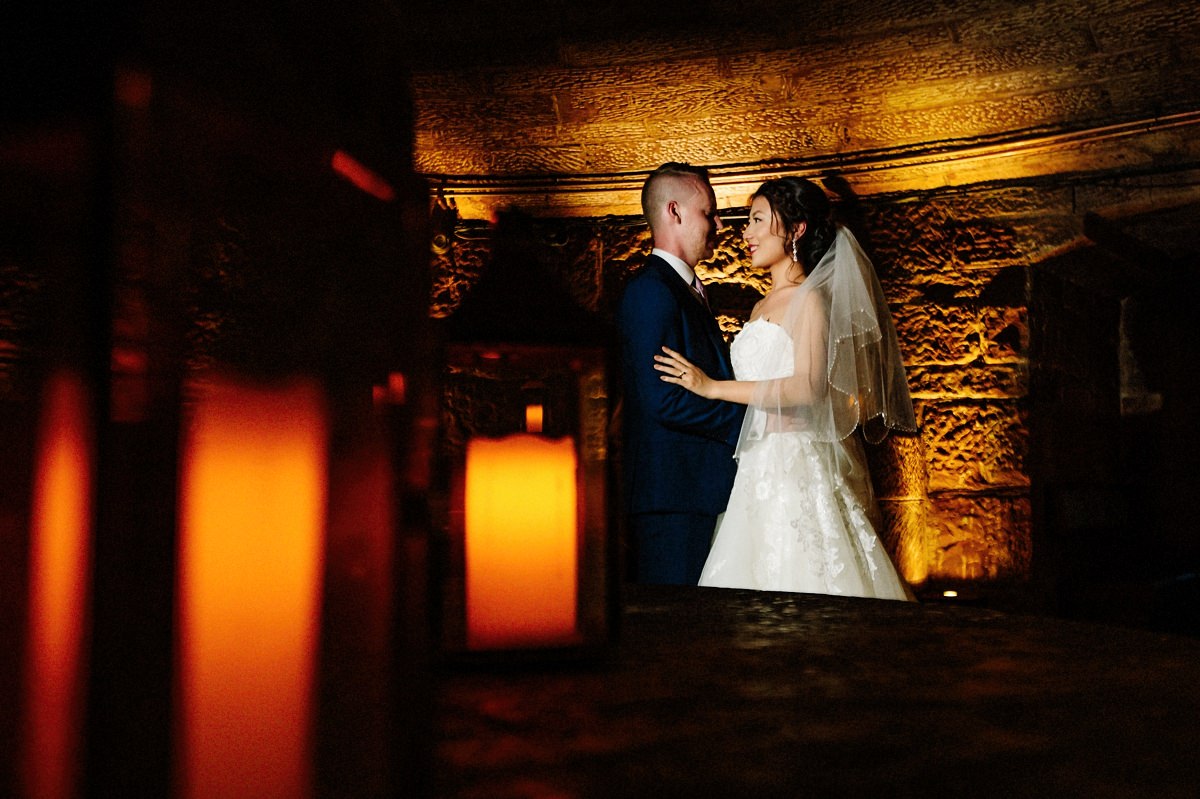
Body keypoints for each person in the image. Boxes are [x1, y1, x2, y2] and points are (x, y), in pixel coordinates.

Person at [654, 176, 917, 600]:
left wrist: (712, 387)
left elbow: (809, 387)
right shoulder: (761, 306)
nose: (747, 233)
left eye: (758, 220)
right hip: (754, 466)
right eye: (747, 222)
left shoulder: (808, 299)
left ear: (795, 230)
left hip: (793, 466)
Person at [615, 163, 746, 585]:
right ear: (675, 212)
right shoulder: (651, 290)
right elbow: (662, 400)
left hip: (694, 491)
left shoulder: (687, 289)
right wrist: (748, 421)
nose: (720, 224)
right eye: (709, 212)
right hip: (671, 497)